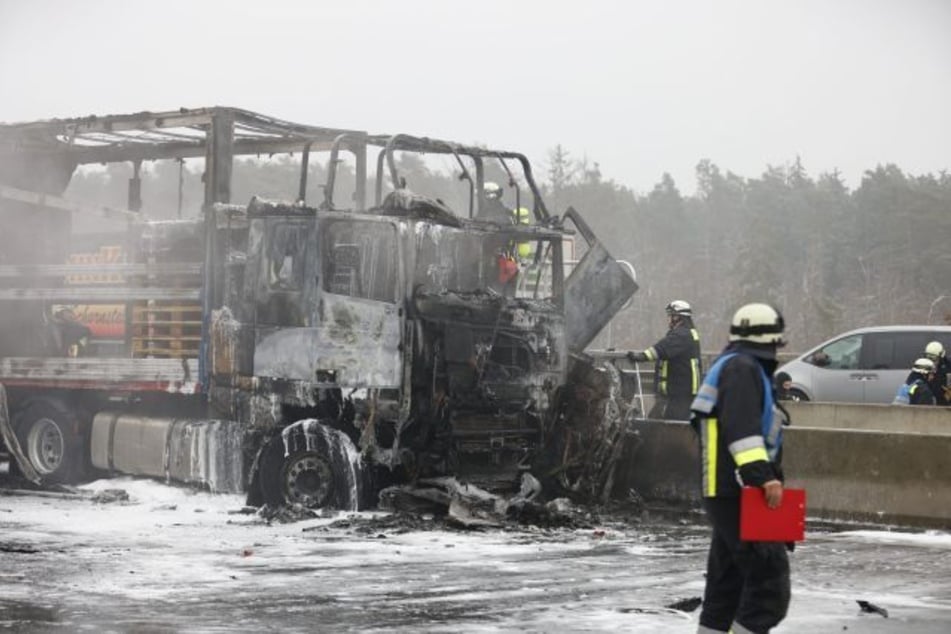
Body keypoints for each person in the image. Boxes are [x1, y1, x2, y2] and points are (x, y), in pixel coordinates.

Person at [689, 302, 791, 634]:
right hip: (740, 490)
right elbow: (742, 429)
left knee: (726, 587)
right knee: (768, 587)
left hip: (727, 490)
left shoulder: (735, 366)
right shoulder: (743, 369)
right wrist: (763, 478)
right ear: (771, 340)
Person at [627, 300, 702, 420]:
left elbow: (662, 349)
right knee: (660, 420)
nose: (669, 319)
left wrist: (641, 356)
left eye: (671, 316)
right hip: (681, 391)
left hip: (679, 392)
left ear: (678, 317)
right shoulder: (688, 333)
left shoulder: (681, 335)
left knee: (670, 425)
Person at [923, 341, 951, 406]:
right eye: (928, 358)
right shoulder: (924, 366)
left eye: (934, 358)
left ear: (941, 356)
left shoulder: (948, 366)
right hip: (934, 404)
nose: (931, 361)